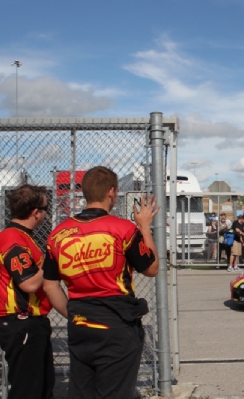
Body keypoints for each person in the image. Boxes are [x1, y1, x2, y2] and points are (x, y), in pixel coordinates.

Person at [43, 166, 159, 399]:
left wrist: (75, 313)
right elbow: (151, 268)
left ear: (85, 192)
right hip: (116, 325)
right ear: (111, 192)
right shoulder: (123, 229)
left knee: (82, 390)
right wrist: (145, 227)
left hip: (80, 325)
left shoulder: (58, 234)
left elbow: (50, 285)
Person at [0, 185, 54, 399]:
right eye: (46, 208)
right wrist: (52, 260)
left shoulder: (23, 236)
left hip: (31, 322)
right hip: (21, 322)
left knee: (43, 386)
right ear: (35, 212)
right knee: (28, 390)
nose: (46, 213)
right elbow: (29, 283)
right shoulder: (14, 239)